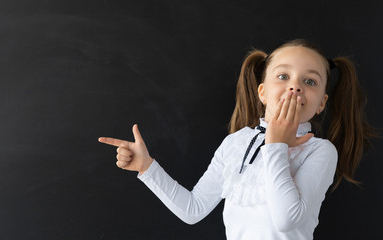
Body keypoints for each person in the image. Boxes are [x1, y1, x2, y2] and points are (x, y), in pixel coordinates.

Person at [98, 39, 374, 240]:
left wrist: (276, 145)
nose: (295, 86)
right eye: (283, 76)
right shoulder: (236, 143)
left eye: (310, 81)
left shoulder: (320, 151)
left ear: (322, 103)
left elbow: (287, 220)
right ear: (263, 93)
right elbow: (193, 210)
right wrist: (147, 168)